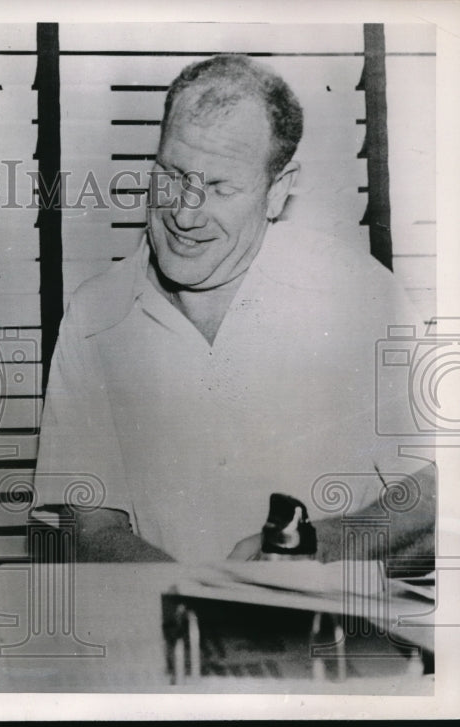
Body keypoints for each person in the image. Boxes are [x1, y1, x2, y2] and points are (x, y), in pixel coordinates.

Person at [33, 54, 435, 564]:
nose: (183, 213)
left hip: (328, 634)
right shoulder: (96, 314)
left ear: (278, 191)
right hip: (169, 631)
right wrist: (194, 600)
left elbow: (437, 486)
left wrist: (318, 546)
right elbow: (86, 524)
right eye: (173, 175)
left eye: (220, 187)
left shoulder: (358, 294)